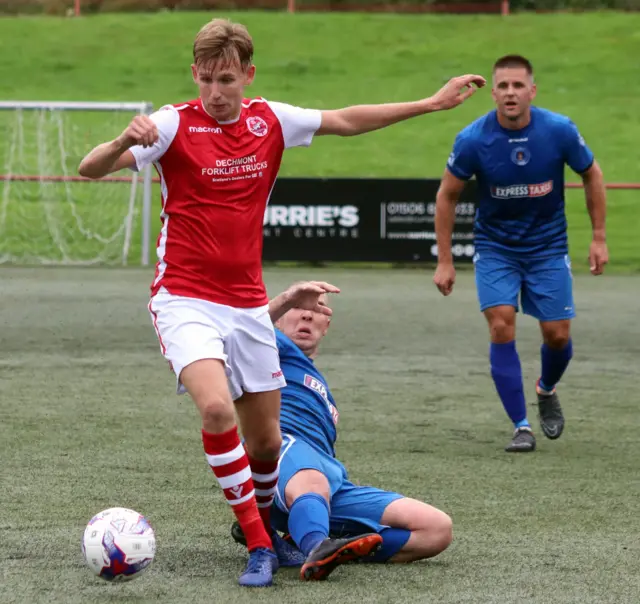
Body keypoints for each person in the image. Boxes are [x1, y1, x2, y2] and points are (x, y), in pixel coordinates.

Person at [77, 17, 483, 587]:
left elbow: (346, 120)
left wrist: (431, 103)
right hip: (184, 297)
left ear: (247, 74)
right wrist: (124, 139)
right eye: (207, 80)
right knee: (217, 411)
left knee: (266, 441)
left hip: (246, 306)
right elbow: (88, 168)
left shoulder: (271, 119)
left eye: (227, 80)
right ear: (194, 74)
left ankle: (264, 527)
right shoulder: (171, 125)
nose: (216, 93)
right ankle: (263, 546)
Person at [433, 55, 608, 453]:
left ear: (532, 91)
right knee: (501, 325)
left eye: (518, 85)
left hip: (548, 247)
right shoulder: (473, 139)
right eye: (503, 86)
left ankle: (546, 389)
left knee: (557, 336)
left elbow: (591, 174)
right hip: (496, 248)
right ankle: (521, 426)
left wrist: (598, 237)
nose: (510, 93)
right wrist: (445, 259)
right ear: (493, 92)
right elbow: (447, 195)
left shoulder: (559, 130)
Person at [231, 280, 454, 581]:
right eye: (298, 307)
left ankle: (327, 545)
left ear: (327, 324)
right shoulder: (270, 347)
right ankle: (316, 546)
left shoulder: (319, 385)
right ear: (280, 319)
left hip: (328, 478)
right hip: (283, 455)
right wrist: (285, 298)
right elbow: (240, 329)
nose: (307, 315)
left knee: (436, 529)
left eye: (316, 308)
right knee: (313, 481)